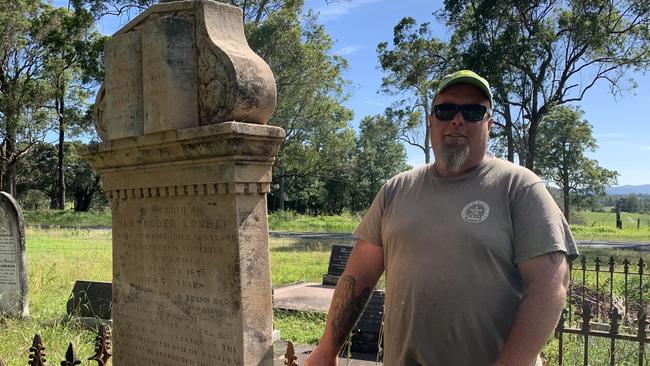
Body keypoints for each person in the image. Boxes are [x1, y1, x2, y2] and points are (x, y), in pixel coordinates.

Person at [304, 70, 578, 366]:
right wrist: (325, 351)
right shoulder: (395, 190)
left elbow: (550, 285)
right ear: (431, 120)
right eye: (446, 109)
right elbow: (359, 277)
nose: (457, 120)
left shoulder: (519, 187)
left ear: (489, 123)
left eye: (473, 111)